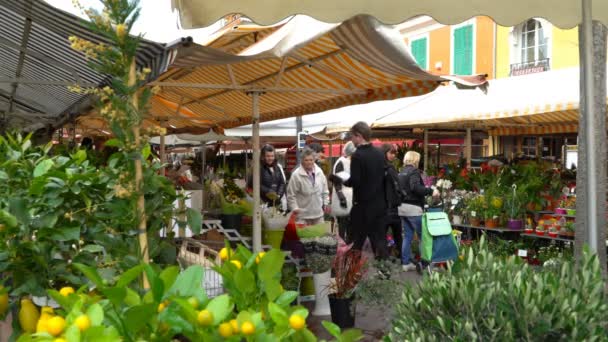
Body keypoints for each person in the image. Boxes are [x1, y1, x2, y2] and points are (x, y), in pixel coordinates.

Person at [331, 122, 388, 259]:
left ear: (359, 136)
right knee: (379, 241)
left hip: (362, 206)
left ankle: (350, 275)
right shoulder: (379, 153)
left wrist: (339, 179)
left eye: (352, 136)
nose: (351, 140)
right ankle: (384, 272)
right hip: (380, 205)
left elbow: (355, 181)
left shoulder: (358, 155)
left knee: (356, 242)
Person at [398, 151, 440, 271]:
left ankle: (405, 264)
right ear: (415, 160)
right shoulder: (414, 171)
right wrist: (431, 191)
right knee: (424, 237)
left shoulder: (401, 172)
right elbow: (415, 187)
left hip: (402, 207)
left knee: (407, 236)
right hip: (413, 208)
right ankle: (426, 265)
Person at [286, 148, 330, 225]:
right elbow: (291, 195)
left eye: (311, 160)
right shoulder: (296, 175)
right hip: (302, 216)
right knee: (304, 237)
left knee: (320, 236)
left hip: (318, 214)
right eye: (306, 160)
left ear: (314, 160)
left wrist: (326, 203)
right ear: (302, 160)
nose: (309, 162)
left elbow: (325, 191)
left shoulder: (320, 172)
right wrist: (295, 208)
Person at [381, 143, 403, 260]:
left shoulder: (383, 167)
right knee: (397, 234)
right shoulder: (389, 169)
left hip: (385, 207)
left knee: (384, 235)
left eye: (394, 153)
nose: (393, 155)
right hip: (390, 207)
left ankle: (383, 259)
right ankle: (399, 258)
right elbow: (398, 186)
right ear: (385, 153)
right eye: (391, 153)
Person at [331, 141, 356, 242]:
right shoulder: (341, 162)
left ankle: (349, 248)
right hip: (343, 199)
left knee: (351, 227)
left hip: (351, 198)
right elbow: (336, 182)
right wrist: (342, 197)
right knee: (342, 226)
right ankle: (341, 248)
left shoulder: (352, 161)